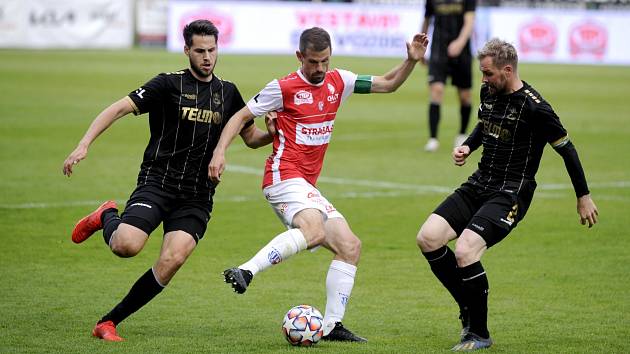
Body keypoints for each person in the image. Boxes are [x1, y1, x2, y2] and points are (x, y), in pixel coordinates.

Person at [209, 27, 429, 342]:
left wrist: (409, 61)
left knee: (350, 247)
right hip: (283, 177)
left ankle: (331, 326)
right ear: (300, 57)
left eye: (324, 61)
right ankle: (246, 271)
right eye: (313, 62)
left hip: (306, 185)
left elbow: (388, 83)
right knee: (313, 232)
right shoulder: (282, 88)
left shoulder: (340, 81)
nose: (320, 68)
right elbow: (238, 117)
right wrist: (220, 153)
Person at [62, 20, 273, 342]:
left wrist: (274, 131)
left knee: (172, 259)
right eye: (200, 51)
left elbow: (252, 139)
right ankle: (107, 215)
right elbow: (118, 108)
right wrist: (83, 143)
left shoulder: (228, 93)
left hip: (198, 195)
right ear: (187, 50)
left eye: (212, 50)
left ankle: (108, 322)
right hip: (158, 182)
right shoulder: (167, 84)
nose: (207, 57)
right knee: (126, 246)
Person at [415, 38, 599, 351]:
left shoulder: (535, 107)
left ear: (507, 70)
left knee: (465, 251)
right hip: (479, 182)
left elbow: (567, 150)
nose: (483, 80)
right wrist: (468, 147)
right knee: (428, 238)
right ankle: (468, 306)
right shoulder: (490, 92)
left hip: (512, 191)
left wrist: (583, 196)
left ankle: (479, 333)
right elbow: (484, 124)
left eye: (487, 73)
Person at [420, 0, 476, 152]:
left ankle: (462, 133)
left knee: (464, 96)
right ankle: (433, 139)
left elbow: (469, 21)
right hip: (439, 49)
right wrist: (420, 45)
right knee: (436, 90)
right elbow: (426, 20)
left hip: (462, 51)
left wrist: (460, 42)